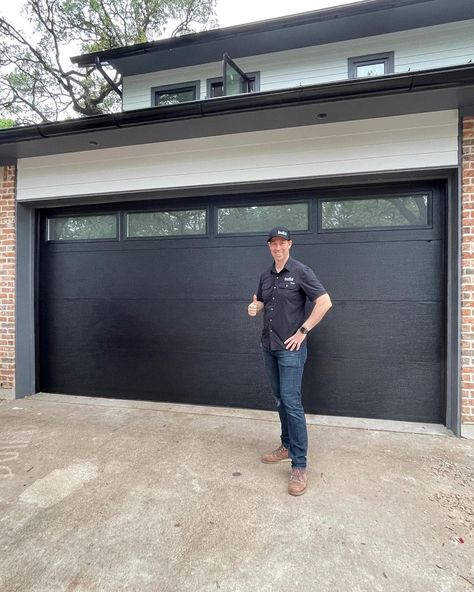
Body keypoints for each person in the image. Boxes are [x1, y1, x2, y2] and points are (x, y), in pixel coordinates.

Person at [248, 226, 332, 496]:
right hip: (269, 346)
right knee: (279, 398)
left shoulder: (301, 271)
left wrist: (303, 332)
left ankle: (299, 464)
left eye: (282, 243)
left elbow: (324, 302)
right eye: (273, 243)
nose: (278, 247)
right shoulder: (265, 275)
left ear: (290, 245)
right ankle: (286, 446)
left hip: (291, 349)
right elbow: (262, 302)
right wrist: (255, 307)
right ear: (269, 247)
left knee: (292, 402)